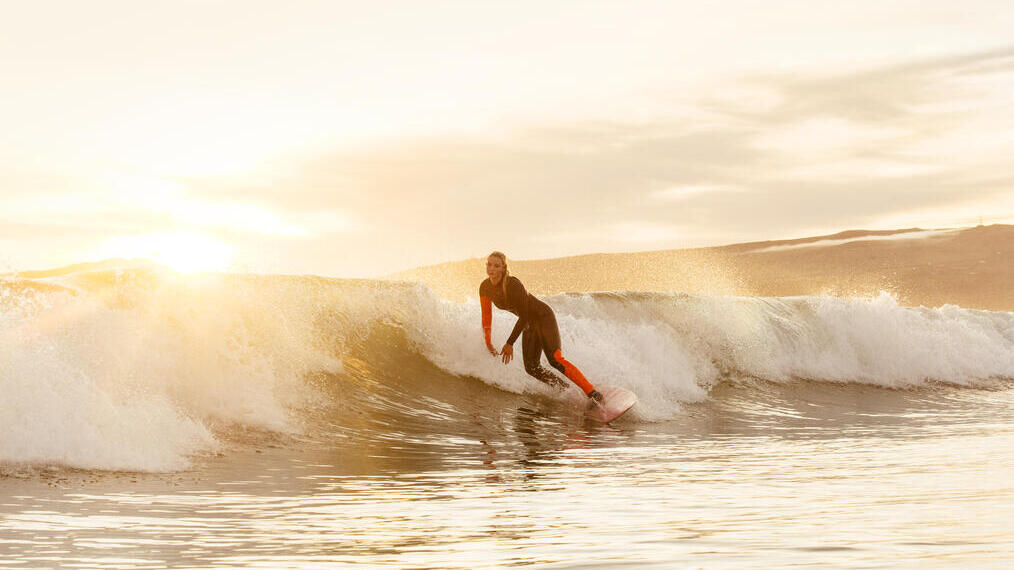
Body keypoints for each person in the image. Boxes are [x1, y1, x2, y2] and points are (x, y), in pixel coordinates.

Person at [480, 251, 603, 403]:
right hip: (529, 324)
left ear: (503, 268)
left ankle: (594, 393)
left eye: (496, 265)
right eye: (489, 264)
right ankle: (566, 390)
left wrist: (510, 343)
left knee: (555, 359)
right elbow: (486, 317)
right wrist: (488, 342)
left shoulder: (513, 284)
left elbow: (524, 316)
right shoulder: (485, 287)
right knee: (532, 368)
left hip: (543, 317)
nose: (491, 268)